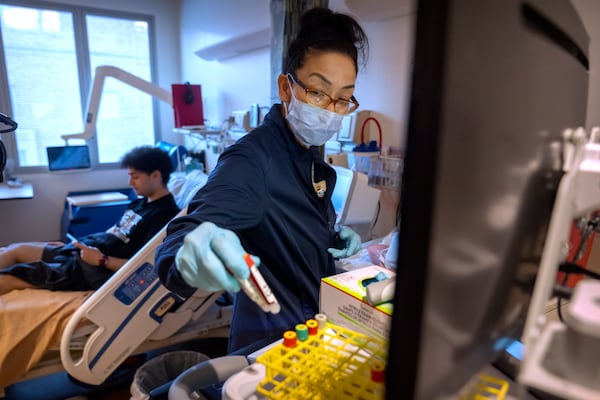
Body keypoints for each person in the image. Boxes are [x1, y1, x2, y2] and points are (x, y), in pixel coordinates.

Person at [155, 7, 369, 352]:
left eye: (343, 99)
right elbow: (189, 232)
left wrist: (330, 235)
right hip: (272, 342)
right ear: (286, 87)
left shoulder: (306, 151)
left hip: (311, 331)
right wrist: (186, 252)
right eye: (317, 92)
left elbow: (285, 223)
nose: (330, 110)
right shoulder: (252, 159)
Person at [0, 146, 180, 295]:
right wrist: (74, 244)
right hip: (83, 250)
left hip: (90, 268)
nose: (130, 182)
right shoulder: (139, 203)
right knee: (17, 250)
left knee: (8, 279)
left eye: (135, 176)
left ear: (156, 175)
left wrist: (102, 260)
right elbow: (116, 231)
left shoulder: (166, 216)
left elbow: (147, 265)